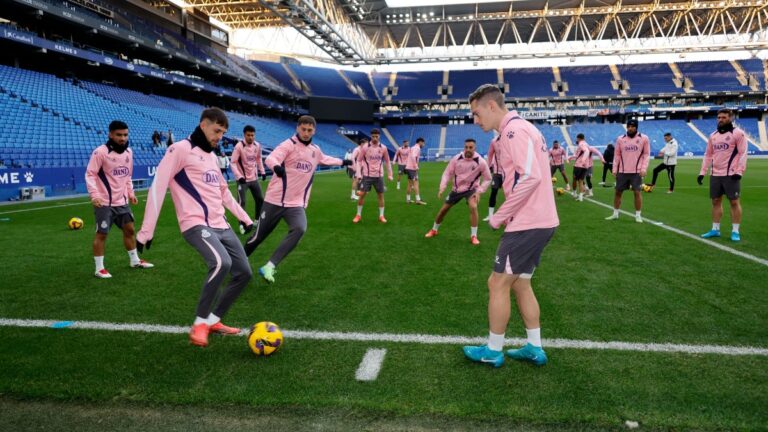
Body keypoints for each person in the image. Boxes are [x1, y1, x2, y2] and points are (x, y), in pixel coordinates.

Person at [136, 107, 254, 348]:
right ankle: (200, 323)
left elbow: (223, 193)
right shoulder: (179, 149)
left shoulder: (211, 156)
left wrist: (244, 218)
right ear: (203, 125)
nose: (219, 136)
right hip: (195, 223)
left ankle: (213, 320)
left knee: (244, 273)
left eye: (222, 132)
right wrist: (147, 230)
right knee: (221, 263)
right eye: (216, 130)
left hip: (221, 224)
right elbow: (158, 186)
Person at [462, 84, 559, 368]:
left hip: (527, 222)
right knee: (521, 284)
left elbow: (530, 178)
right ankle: (534, 346)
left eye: (477, 113)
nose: (475, 120)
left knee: (498, 283)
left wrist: (499, 215)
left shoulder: (514, 131)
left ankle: (493, 350)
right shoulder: (520, 130)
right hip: (541, 221)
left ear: (492, 106)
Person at [244, 115, 352, 283]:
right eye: (303, 129)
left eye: (310, 130)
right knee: (258, 237)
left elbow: (325, 159)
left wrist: (344, 161)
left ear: (314, 131)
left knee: (300, 228)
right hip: (275, 200)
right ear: (297, 128)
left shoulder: (315, 150)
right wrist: (276, 167)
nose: (306, 133)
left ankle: (270, 266)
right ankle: (237, 262)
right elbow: (271, 158)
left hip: (296, 203)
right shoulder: (288, 145)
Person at [85, 120, 153, 279]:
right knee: (101, 234)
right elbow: (90, 174)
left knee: (129, 230)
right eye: (119, 135)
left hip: (122, 201)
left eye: (125, 135)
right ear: (110, 134)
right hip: (104, 203)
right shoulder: (100, 152)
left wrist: (131, 193)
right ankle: (99, 268)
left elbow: (127, 176)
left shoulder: (129, 152)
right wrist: (94, 195)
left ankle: (135, 261)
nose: (122, 138)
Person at [424, 138, 491, 245]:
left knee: (473, 206)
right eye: (466, 147)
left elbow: (488, 178)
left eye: (470, 147)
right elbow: (447, 173)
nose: (468, 149)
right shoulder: (456, 158)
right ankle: (434, 230)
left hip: (471, 189)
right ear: (463, 147)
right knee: (443, 210)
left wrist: (479, 191)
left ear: (475, 148)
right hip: (456, 189)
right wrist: (442, 187)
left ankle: (474, 236)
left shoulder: (481, 162)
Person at [698, 109, 748, 242]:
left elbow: (743, 153)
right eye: (719, 117)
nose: (720, 119)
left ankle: (735, 231)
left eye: (724, 117)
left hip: (731, 174)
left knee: (734, 202)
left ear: (730, 118)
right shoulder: (713, 135)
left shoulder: (738, 133)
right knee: (715, 201)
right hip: (715, 174)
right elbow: (708, 155)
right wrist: (702, 172)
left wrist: (739, 171)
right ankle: (715, 229)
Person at [605, 119, 650, 223]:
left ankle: (638, 215)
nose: (630, 128)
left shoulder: (644, 138)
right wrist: (614, 169)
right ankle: (615, 214)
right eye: (628, 126)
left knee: (637, 193)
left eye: (632, 126)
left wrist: (643, 169)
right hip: (622, 171)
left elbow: (646, 155)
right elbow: (617, 155)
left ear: (636, 127)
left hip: (636, 172)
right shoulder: (620, 139)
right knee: (617, 192)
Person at [230, 125, 267, 235]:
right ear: (244, 135)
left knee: (260, 199)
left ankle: (256, 220)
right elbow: (233, 162)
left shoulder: (257, 145)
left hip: (254, 179)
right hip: (243, 180)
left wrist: (262, 171)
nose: (251, 137)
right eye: (248, 135)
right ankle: (242, 224)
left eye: (252, 135)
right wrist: (239, 176)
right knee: (242, 202)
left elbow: (259, 159)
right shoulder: (239, 146)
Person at [353, 129, 393, 223]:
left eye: (377, 136)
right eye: (373, 136)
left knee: (380, 195)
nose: (375, 138)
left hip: (379, 176)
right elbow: (358, 160)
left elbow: (387, 161)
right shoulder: (365, 147)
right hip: (367, 175)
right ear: (370, 136)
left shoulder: (383, 148)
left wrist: (390, 174)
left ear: (379, 136)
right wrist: (359, 174)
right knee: (362, 195)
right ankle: (358, 215)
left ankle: (381, 216)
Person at [569, 134, 603, 202]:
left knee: (575, 179)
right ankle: (581, 196)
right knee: (581, 181)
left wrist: (583, 160)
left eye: (577, 139)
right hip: (586, 166)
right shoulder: (588, 145)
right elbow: (597, 152)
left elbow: (586, 152)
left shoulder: (581, 144)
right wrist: (602, 159)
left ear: (578, 138)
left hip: (579, 165)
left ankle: (575, 193)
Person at [483, 136, 503, 222]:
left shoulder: (512, 139)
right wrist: (488, 168)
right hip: (497, 173)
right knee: (493, 191)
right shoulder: (494, 141)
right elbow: (490, 155)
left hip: (509, 173)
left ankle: (510, 216)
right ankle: (490, 215)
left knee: (510, 194)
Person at [405, 137, 427, 205]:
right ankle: (418, 200)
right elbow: (413, 157)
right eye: (423, 143)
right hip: (412, 168)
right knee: (416, 183)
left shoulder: (412, 147)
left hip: (409, 167)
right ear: (420, 142)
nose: (423, 145)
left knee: (409, 184)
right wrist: (416, 166)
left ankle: (408, 199)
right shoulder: (417, 148)